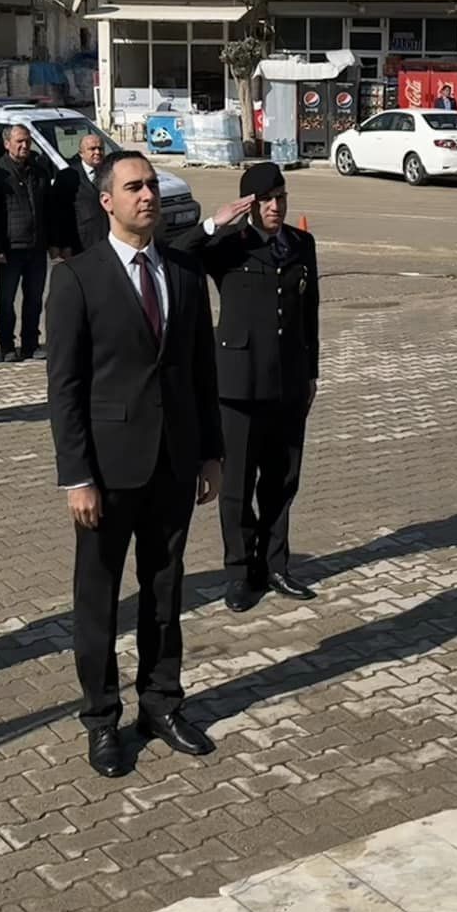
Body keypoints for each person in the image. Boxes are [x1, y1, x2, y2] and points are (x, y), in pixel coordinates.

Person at [46, 153, 223, 778]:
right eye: (134, 187)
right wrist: (77, 477)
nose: (148, 195)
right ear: (106, 202)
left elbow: (201, 369)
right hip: (107, 472)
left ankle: (161, 703)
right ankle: (101, 718)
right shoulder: (76, 278)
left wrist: (211, 452)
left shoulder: (183, 270)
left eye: (151, 185)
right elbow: (64, 388)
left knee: (165, 588)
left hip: (173, 462)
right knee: (97, 600)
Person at [175, 162, 320, 613]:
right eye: (265, 201)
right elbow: (177, 255)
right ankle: (240, 572)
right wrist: (214, 222)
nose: (275, 207)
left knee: (282, 480)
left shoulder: (301, 243)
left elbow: (309, 313)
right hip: (238, 384)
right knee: (236, 485)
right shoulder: (227, 247)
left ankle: (276, 564)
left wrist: (312, 372)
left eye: (280, 198)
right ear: (249, 205)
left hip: (289, 383)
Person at [0, 124, 54, 361]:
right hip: (10, 249)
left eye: (27, 141)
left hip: (36, 247)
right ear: (7, 144)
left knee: (34, 298)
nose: (24, 146)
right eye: (19, 141)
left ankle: (31, 343)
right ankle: (7, 346)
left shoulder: (39, 170)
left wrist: (51, 242)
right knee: (6, 300)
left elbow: (47, 208)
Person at [52, 131, 112, 257]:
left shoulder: (111, 173)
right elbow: (59, 213)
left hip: (109, 241)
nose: (97, 152)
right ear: (81, 153)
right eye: (92, 149)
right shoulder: (67, 177)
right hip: (80, 244)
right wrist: (63, 244)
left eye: (100, 148)